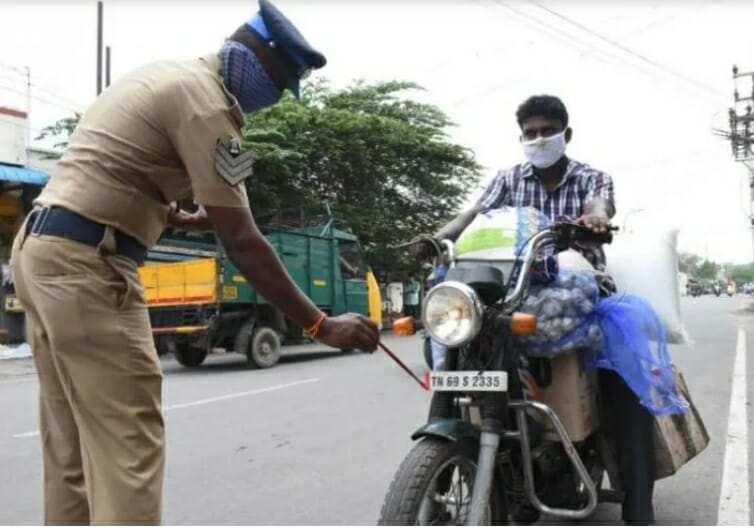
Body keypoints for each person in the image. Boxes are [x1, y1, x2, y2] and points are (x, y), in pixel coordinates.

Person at [9, 1, 379, 525]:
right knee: (128, 449)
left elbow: (125, 172)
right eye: (276, 83)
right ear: (254, 59)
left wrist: (180, 216)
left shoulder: (168, 75)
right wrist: (320, 323)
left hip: (43, 252)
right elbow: (245, 241)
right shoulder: (211, 109)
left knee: (70, 450)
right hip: (91, 267)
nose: (272, 99)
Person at [412, 94, 655, 524]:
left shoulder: (590, 178)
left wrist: (596, 220)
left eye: (547, 131)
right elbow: (472, 214)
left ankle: (639, 507)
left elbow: (600, 204)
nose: (539, 139)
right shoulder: (509, 180)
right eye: (531, 133)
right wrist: (436, 238)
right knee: (456, 340)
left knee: (624, 381)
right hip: (509, 293)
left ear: (567, 134)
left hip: (576, 291)